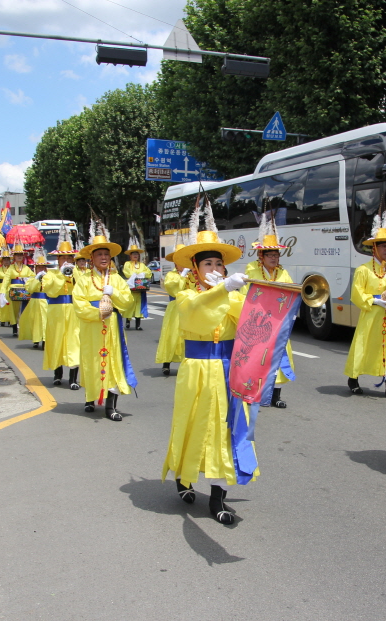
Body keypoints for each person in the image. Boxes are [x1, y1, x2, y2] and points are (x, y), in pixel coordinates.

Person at [161, 201, 255, 525]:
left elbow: (249, 323)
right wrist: (222, 292)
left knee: (223, 434)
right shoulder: (187, 296)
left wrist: (233, 293)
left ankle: (217, 499)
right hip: (197, 369)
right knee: (190, 426)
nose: (215, 269)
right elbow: (197, 311)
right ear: (196, 269)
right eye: (208, 264)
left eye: (219, 264)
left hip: (228, 371)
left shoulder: (230, 294)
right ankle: (183, 478)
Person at [344, 208, 386, 399]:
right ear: (374, 248)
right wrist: (375, 300)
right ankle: (353, 378)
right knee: (363, 346)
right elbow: (357, 293)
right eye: (383, 246)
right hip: (370, 315)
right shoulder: (363, 270)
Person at [74, 221, 135, 420]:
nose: (103, 258)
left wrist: (114, 293)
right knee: (92, 362)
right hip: (91, 328)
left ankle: (111, 407)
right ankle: (90, 398)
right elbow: (79, 305)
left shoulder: (116, 279)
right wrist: (98, 313)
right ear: (91, 258)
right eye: (99, 254)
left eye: (106, 255)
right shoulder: (83, 280)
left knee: (112, 364)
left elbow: (128, 302)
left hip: (112, 329)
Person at [243, 208, 295, 408]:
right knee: (256, 358)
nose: (274, 258)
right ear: (261, 257)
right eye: (270, 255)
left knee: (278, 357)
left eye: (276, 255)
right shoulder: (252, 270)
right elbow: (246, 295)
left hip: (279, 322)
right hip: (258, 322)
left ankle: (276, 395)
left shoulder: (283, 273)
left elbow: (291, 292)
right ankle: (251, 392)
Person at [43, 227, 82, 389]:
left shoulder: (78, 272)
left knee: (75, 342)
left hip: (74, 311)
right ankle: (57, 374)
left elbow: (83, 288)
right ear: (57, 259)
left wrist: (74, 274)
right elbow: (50, 291)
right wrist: (60, 274)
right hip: (56, 311)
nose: (66, 261)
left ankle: (73, 379)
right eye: (62, 258)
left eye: (69, 258)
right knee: (56, 341)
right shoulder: (50, 274)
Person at [155, 237, 191, 376]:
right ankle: (166, 364)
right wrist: (182, 275)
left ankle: (186, 363)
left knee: (186, 336)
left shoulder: (192, 274)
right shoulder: (171, 275)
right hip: (175, 307)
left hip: (189, 308)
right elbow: (172, 287)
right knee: (171, 336)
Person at [0, 244, 34, 337]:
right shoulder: (10, 269)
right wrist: (2, 292)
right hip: (13, 291)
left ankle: (23, 326)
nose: (19, 256)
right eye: (17, 254)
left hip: (24, 291)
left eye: (21, 254)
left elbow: (33, 277)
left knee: (25, 310)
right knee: (13, 310)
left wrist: (28, 279)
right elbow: (6, 280)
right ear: (14, 256)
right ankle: (14, 326)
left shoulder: (26, 268)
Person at [19, 247, 50, 348]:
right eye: (39, 268)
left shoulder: (49, 278)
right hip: (35, 303)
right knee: (35, 321)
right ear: (36, 269)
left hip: (46, 302)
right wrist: (37, 279)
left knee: (46, 321)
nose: (41, 270)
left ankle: (45, 340)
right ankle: (36, 339)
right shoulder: (32, 279)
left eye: (43, 267)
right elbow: (30, 289)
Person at [121, 237, 151, 331]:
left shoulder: (142, 265)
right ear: (130, 255)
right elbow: (127, 272)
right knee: (130, 304)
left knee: (139, 306)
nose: (135, 256)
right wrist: (134, 275)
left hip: (140, 288)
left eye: (136, 254)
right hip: (131, 288)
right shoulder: (127, 264)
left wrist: (142, 274)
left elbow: (148, 272)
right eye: (133, 254)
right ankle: (128, 321)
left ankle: (138, 324)